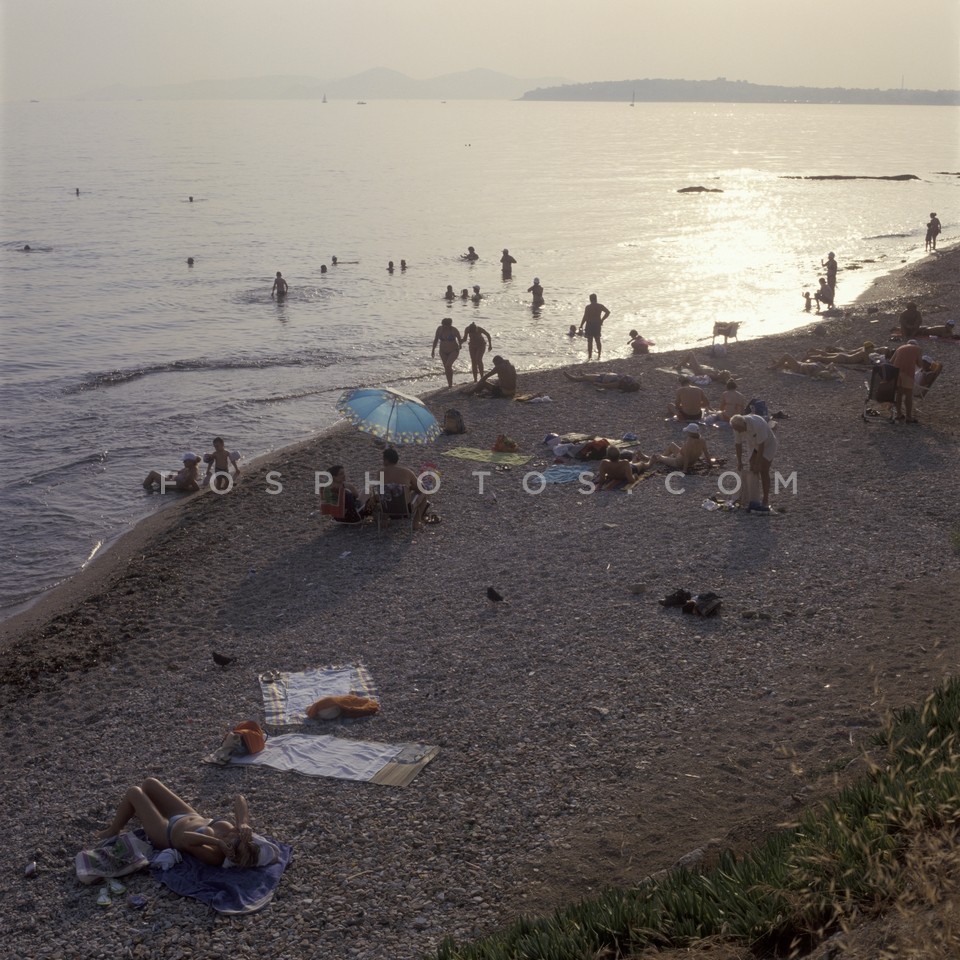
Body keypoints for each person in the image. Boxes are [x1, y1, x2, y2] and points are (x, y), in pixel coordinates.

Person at [96, 777, 279, 869]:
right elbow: (239, 798)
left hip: (166, 832)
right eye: (239, 838)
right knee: (150, 783)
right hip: (186, 815)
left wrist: (218, 843)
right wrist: (244, 823)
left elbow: (185, 839)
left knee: (134, 792)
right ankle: (142, 811)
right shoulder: (233, 832)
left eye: (235, 845)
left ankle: (113, 830)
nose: (233, 838)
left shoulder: (215, 856)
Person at [730, 413, 777, 509]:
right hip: (753, 445)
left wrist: (758, 463)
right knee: (752, 469)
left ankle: (765, 498)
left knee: (764, 470)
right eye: (736, 430)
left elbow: (761, 446)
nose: (737, 432)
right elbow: (738, 444)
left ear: (744, 424)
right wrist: (739, 461)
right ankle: (752, 497)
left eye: (739, 429)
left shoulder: (757, 424)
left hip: (768, 444)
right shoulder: (737, 426)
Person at [378, 448, 429, 530]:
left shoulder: (380, 472)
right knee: (424, 492)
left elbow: (384, 490)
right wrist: (410, 488)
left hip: (386, 508)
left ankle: (384, 520)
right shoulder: (406, 472)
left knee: (386, 493)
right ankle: (416, 522)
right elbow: (420, 488)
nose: (383, 462)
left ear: (386, 460)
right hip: (404, 508)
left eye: (383, 459)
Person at [635, 424, 711, 473]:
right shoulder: (702, 440)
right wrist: (710, 464)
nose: (687, 433)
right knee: (672, 445)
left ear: (691, 433)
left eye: (688, 432)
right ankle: (661, 458)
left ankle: (651, 458)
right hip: (690, 461)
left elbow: (687, 456)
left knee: (660, 457)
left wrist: (684, 470)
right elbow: (706, 453)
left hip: (678, 462)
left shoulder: (690, 441)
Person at [891, 338, 923, 422]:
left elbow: (891, 361)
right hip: (908, 372)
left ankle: (899, 414)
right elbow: (920, 364)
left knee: (899, 394)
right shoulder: (918, 349)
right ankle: (908, 417)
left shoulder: (900, 348)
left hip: (896, 372)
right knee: (908, 394)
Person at [431, 317, 462, 388]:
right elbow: (436, 339)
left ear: (449, 325)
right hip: (442, 351)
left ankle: (450, 383)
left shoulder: (454, 330)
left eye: (446, 325)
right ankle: (450, 384)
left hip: (453, 350)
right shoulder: (439, 329)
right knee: (446, 367)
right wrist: (433, 350)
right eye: (443, 325)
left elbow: (459, 339)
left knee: (448, 365)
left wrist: (460, 345)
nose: (444, 327)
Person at [579, 293, 610, 360]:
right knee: (598, 340)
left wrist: (581, 325)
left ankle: (590, 357)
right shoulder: (600, 306)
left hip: (589, 325)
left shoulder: (588, 307)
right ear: (596, 299)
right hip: (597, 324)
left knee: (590, 341)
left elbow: (585, 317)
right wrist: (602, 320)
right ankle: (599, 355)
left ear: (590, 299)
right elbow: (608, 312)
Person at [769, 354, 842, 379]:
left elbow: (809, 374)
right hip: (802, 364)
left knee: (786, 355)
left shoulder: (820, 371)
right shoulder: (822, 367)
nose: (830, 365)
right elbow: (832, 363)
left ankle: (774, 367)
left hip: (799, 368)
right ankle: (778, 363)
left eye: (831, 368)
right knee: (790, 361)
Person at [563, 370, 641, 392]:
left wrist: (600, 385)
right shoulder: (629, 381)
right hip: (605, 376)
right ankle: (584, 374)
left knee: (586, 378)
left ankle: (574, 378)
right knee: (592, 374)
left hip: (601, 379)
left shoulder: (618, 384)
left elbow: (608, 385)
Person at [803, 341, 876, 365]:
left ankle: (814, 350)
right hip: (844, 359)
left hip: (844, 356)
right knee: (824, 359)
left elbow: (853, 353)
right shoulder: (866, 353)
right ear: (869, 348)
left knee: (826, 354)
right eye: (872, 348)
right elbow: (866, 363)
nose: (873, 349)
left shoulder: (863, 349)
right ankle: (808, 357)